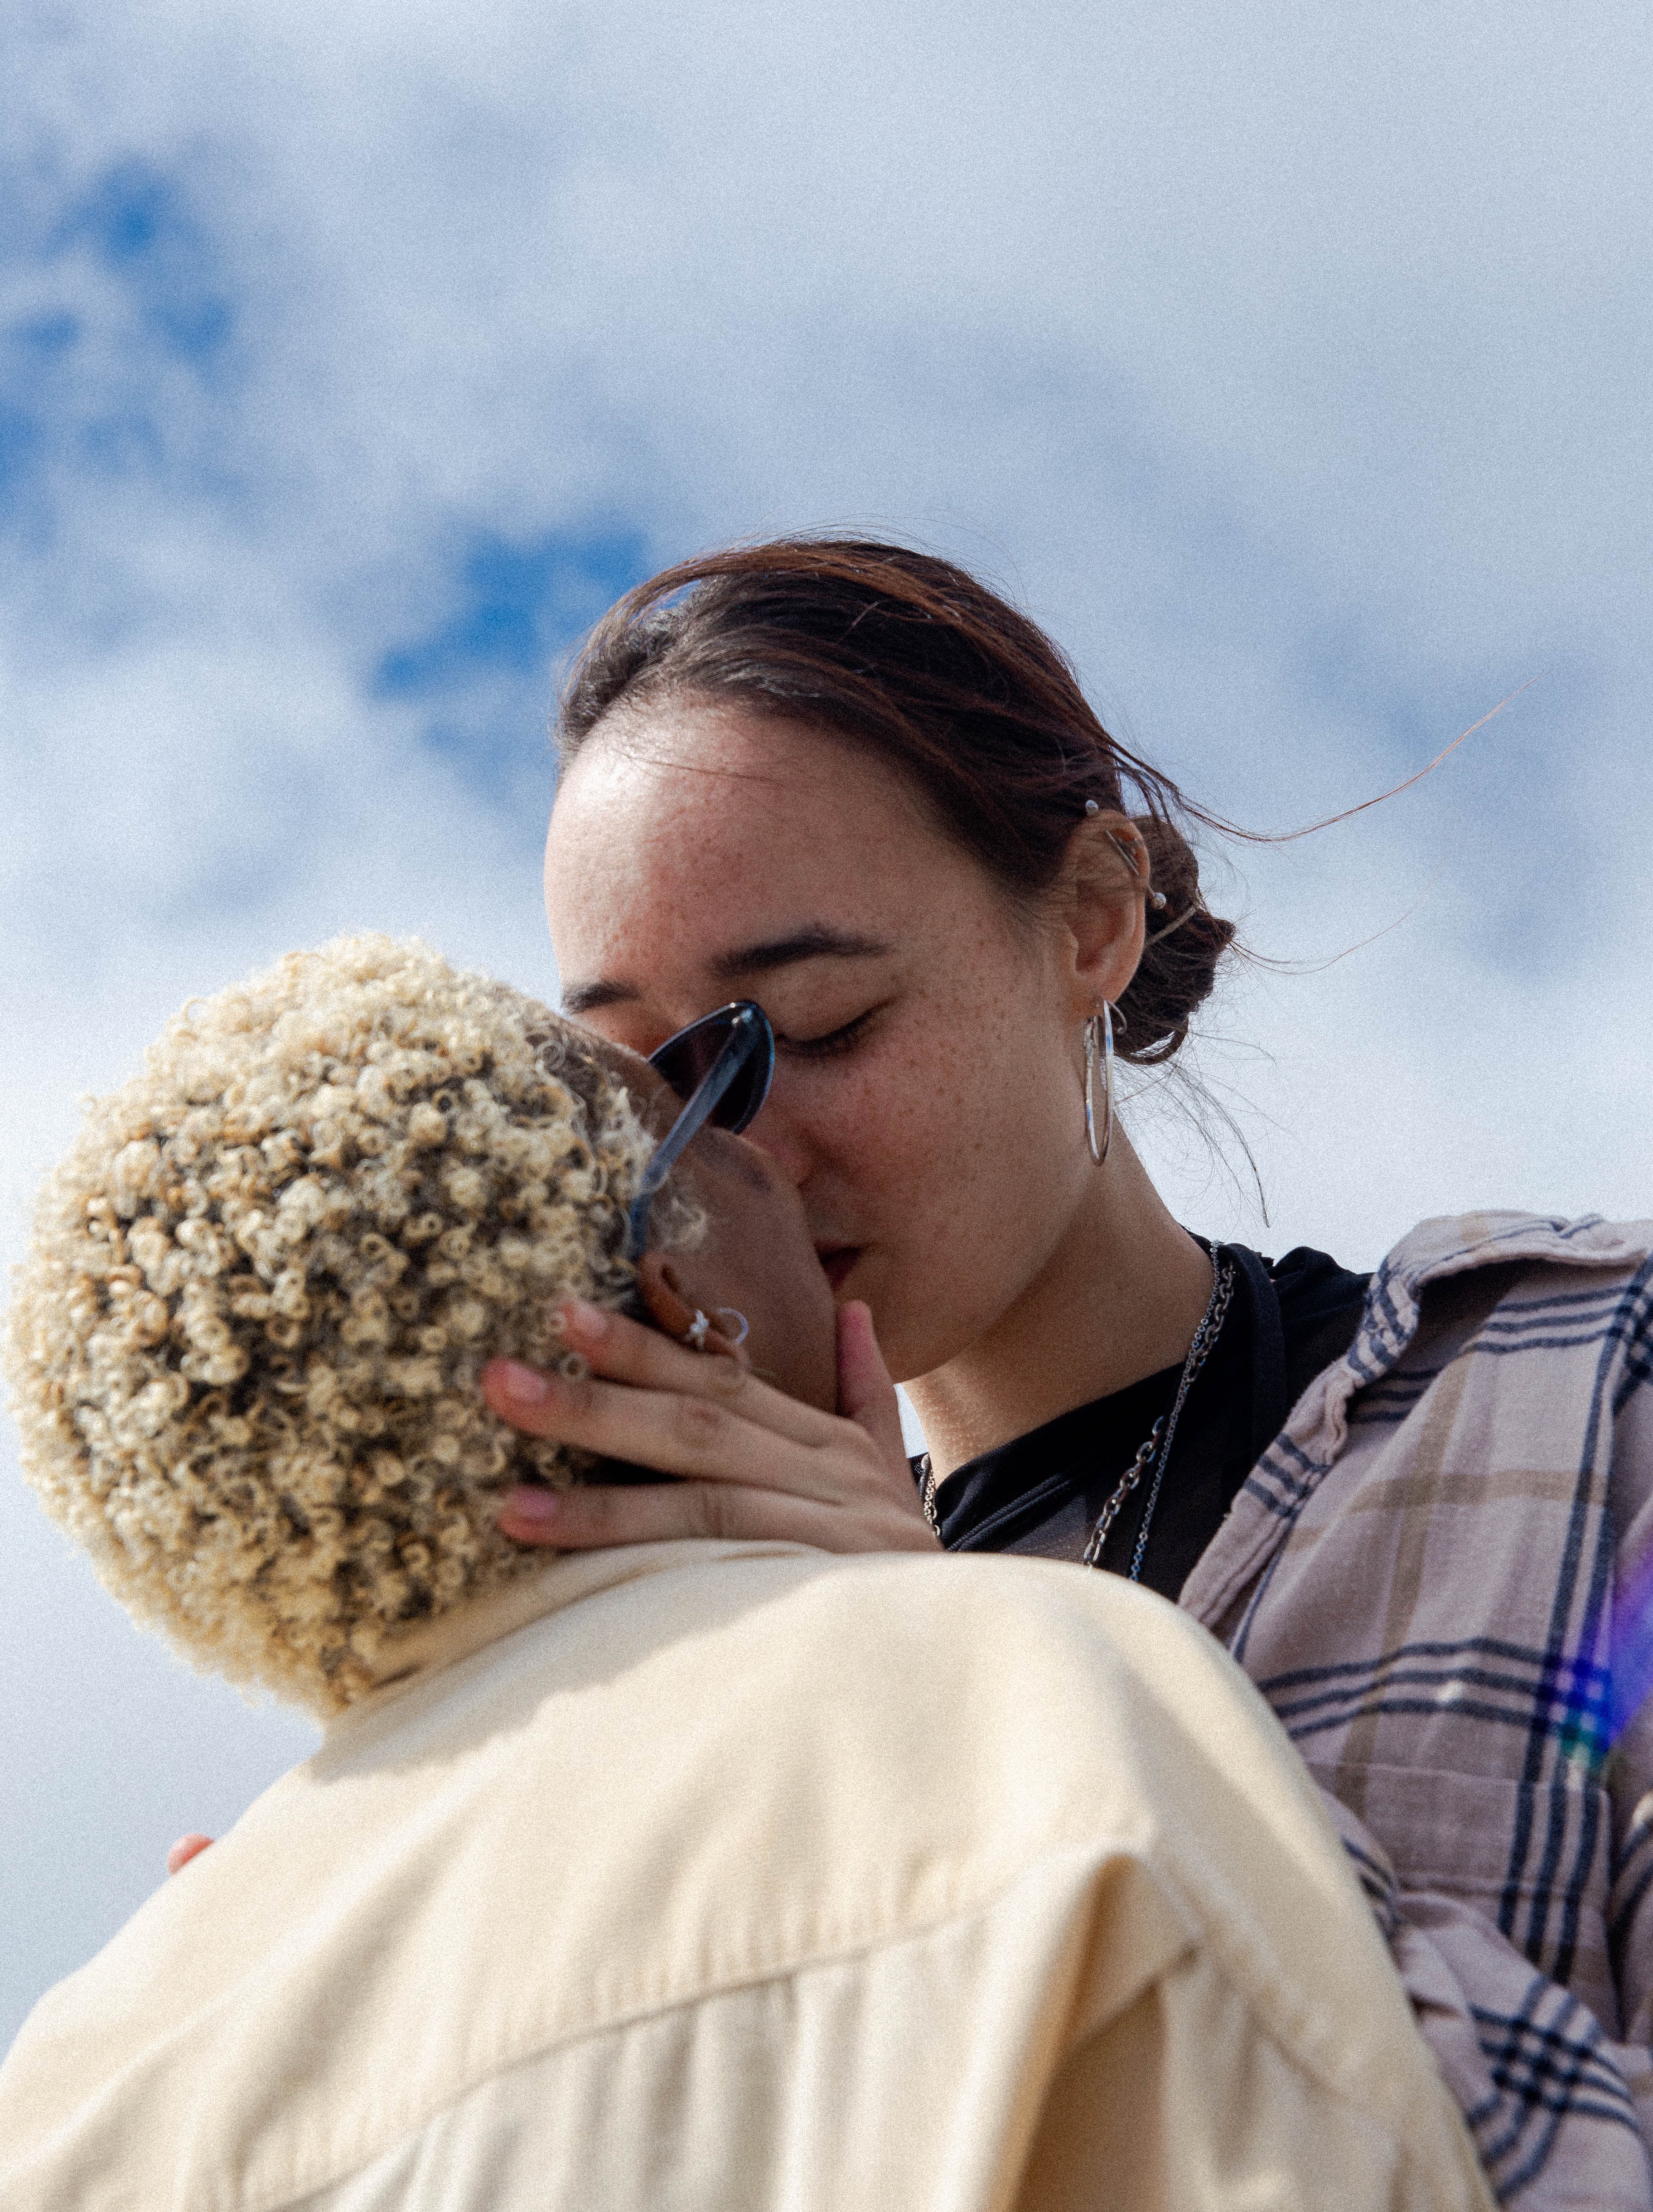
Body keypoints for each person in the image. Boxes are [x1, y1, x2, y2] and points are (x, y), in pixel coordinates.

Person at [475, 537, 1653, 2209]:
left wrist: (972, 1682)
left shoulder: (1588, 1388)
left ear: (1092, 922)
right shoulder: (634, 1687)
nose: (728, 1156)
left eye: (809, 1026)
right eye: (640, 1077)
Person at [0, 933, 1491, 2211]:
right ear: (677, 1286)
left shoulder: (83, 2061)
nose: (774, 1151)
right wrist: (935, 1635)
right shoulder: (1030, 1707)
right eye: (708, 1105)